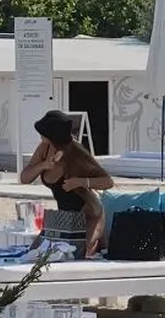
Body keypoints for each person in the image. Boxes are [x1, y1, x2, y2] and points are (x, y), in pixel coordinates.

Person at [21, 110, 114, 256]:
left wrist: (81, 182)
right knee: (33, 253)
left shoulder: (76, 153)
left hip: (89, 213)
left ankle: (98, 242)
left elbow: (108, 182)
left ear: (53, 136)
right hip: (65, 217)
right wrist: (43, 165)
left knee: (79, 255)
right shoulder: (44, 148)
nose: (40, 135)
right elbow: (25, 178)